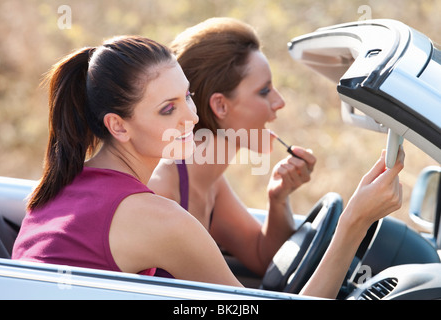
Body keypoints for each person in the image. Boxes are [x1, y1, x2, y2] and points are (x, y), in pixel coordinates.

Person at [148, 17, 405, 298]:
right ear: (220, 105)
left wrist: (278, 198)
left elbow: (264, 259)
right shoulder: (164, 193)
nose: (279, 102)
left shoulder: (210, 184)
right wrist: (354, 222)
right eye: (264, 91)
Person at [11, 35, 242, 286]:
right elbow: (242, 306)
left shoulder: (58, 187)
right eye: (168, 109)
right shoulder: (162, 221)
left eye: (187, 95)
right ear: (119, 126)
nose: (192, 118)